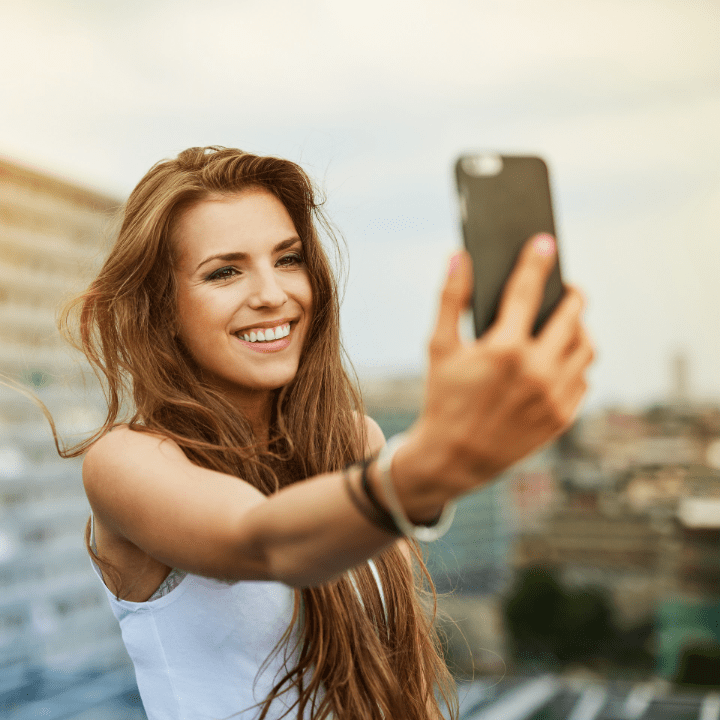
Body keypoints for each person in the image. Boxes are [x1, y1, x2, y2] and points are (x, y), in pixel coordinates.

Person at [55, 146, 593, 720]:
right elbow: (262, 542)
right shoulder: (124, 461)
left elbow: (401, 685)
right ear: (160, 307)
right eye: (225, 271)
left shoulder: (356, 442)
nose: (273, 294)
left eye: (288, 259)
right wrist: (432, 466)